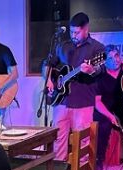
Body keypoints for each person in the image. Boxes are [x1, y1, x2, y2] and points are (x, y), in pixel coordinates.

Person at [47, 12, 105, 161]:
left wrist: (91, 69)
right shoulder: (63, 46)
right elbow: (48, 64)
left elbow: (101, 71)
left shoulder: (97, 48)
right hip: (61, 101)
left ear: (86, 29)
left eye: (77, 32)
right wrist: (48, 79)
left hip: (83, 101)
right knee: (58, 139)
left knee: (82, 141)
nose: (73, 35)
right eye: (72, 32)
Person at [93, 45, 123, 170]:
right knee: (104, 124)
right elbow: (97, 103)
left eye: (117, 55)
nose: (115, 60)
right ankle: (99, 158)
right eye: (111, 58)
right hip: (105, 110)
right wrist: (110, 116)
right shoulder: (100, 77)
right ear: (105, 62)